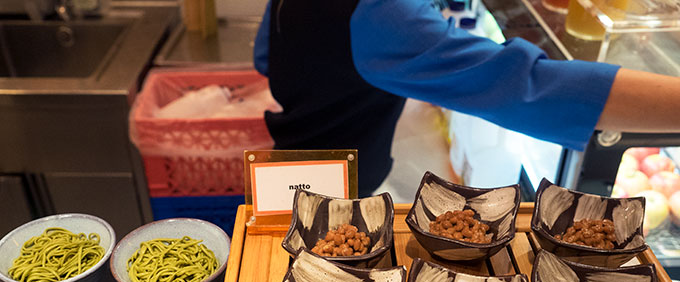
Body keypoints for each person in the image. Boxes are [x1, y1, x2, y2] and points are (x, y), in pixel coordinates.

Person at [253, 0, 680, 196]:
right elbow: (527, 87)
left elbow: (265, 56)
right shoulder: (380, 14)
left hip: (289, 165)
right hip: (339, 187)